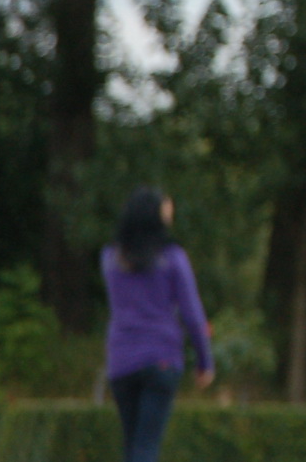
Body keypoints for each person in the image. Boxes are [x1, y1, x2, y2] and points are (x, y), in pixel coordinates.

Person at [102, 187, 214, 462]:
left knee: (132, 444)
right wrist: (205, 362)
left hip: (121, 360)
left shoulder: (110, 259)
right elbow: (192, 313)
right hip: (161, 357)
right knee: (147, 444)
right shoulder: (173, 258)